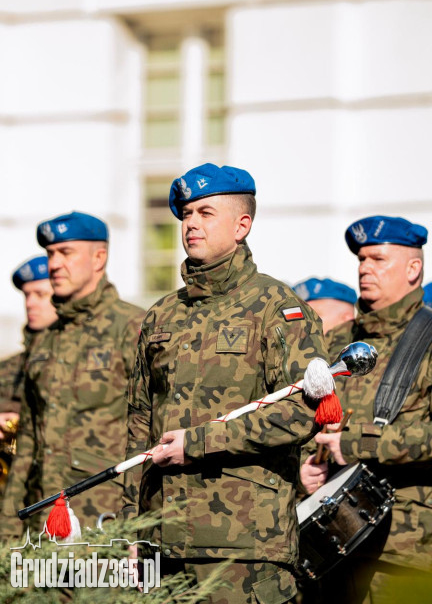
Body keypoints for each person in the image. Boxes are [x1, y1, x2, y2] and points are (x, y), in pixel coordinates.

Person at [123, 163, 331, 604]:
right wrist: (131, 527)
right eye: (186, 214)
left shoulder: (278, 308)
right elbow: (140, 423)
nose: (191, 223)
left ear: (242, 225)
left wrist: (198, 443)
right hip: (162, 538)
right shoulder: (162, 315)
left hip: (244, 546)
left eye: (205, 212)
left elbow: (304, 410)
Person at [300, 215, 432, 602]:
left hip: (405, 552)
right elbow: (300, 421)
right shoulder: (336, 342)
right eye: (361, 259)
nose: (365, 269)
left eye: (378, 259)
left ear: (414, 268)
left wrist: (359, 443)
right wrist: (303, 466)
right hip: (329, 550)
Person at [1, 211, 145, 539]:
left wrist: (138, 526)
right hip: (43, 523)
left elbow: (153, 431)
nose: (54, 264)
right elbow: (27, 444)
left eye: (66, 253)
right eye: (51, 254)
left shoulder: (134, 328)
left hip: (105, 523)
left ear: (99, 258)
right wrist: (9, 527)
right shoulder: (45, 340)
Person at [0, 256, 57, 502]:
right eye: (26, 295)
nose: (30, 303)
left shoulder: (85, 362)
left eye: (41, 294)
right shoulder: (8, 368)